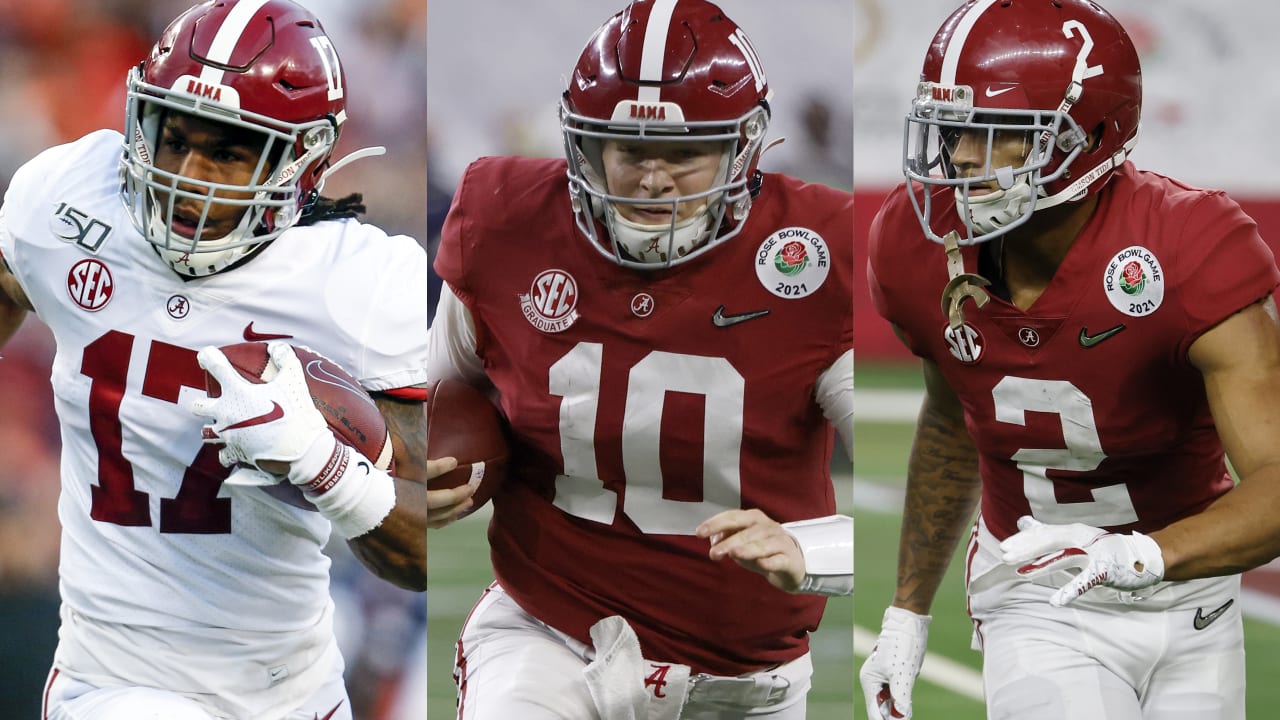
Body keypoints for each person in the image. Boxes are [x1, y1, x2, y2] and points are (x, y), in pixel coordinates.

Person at [0, 1, 470, 718]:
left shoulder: (357, 283)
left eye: (227, 150)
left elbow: (427, 553)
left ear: (302, 161)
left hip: (296, 693)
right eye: (172, 137)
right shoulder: (65, 197)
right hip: (116, 684)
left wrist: (325, 465)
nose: (187, 175)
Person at [425, 1, 853, 718]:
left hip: (743, 682)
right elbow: (431, 394)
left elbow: (914, 478)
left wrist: (811, 548)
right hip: (550, 635)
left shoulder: (814, 258)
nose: (653, 180)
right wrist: (414, 469)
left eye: (684, 154)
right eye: (630, 151)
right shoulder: (509, 224)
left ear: (742, 148)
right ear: (586, 147)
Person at [858, 1, 1280, 718]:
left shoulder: (1188, 250)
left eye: (997, 134)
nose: (960, 156)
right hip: (1032, 587)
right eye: (955, 128)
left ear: (1087, 137)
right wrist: (908, 609)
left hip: (1191, 587)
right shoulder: (913, 244)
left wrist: (1137, 556)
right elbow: (955, 413)